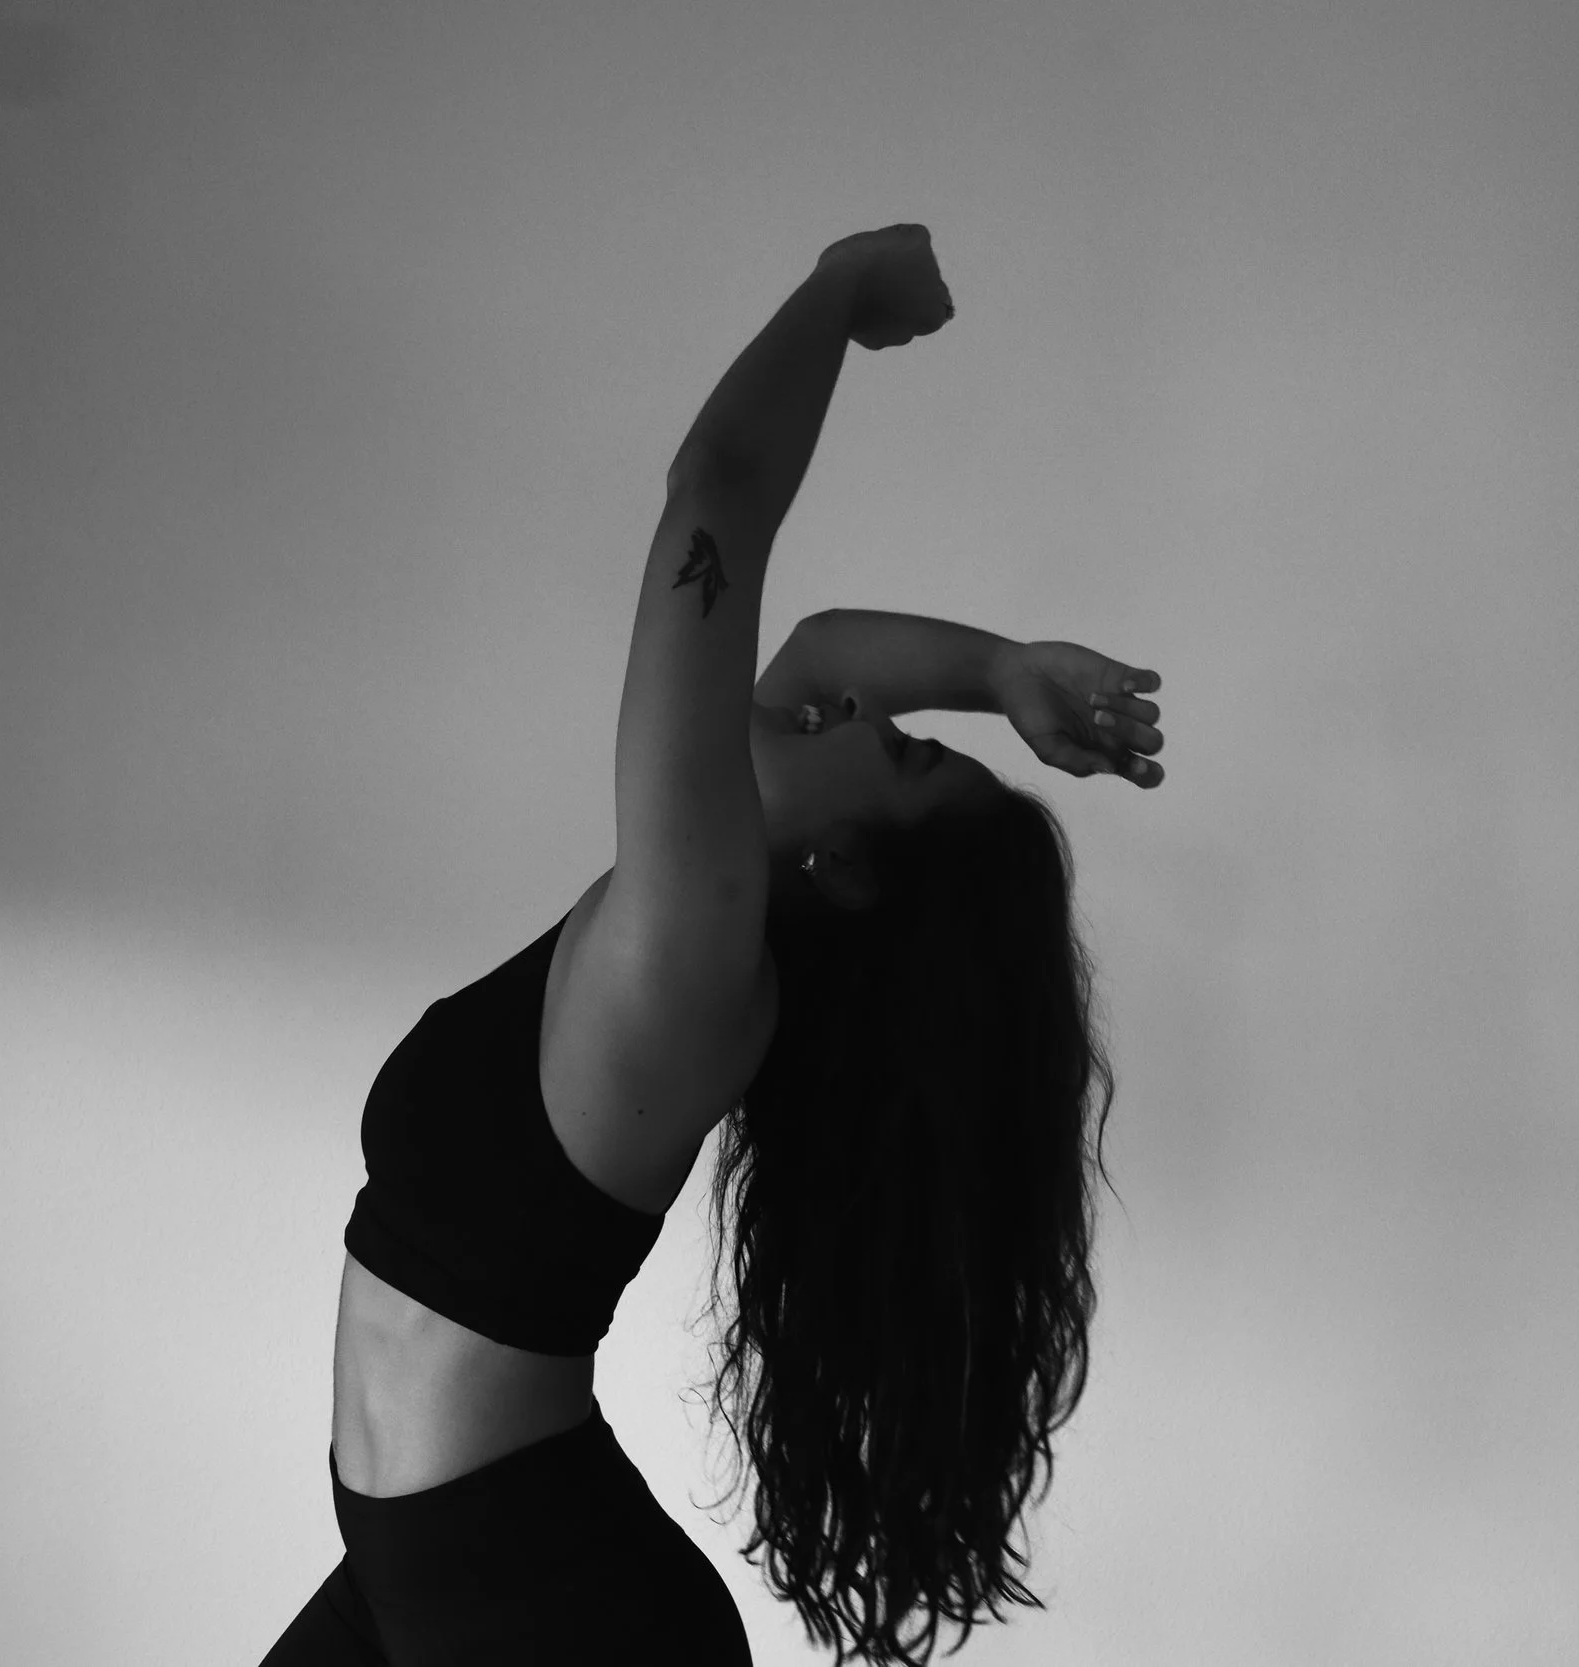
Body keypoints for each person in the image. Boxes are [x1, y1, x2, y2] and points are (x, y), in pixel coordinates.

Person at [262, 223, 1165, 1666]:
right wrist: (998, 673)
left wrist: (840, 290)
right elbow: (811, 650)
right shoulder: (714, 916)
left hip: (532, 1609)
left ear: (846, 867)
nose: (864, 711)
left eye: (906, 752)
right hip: (423, 1571)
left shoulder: (691, 943)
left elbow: (720, 498)